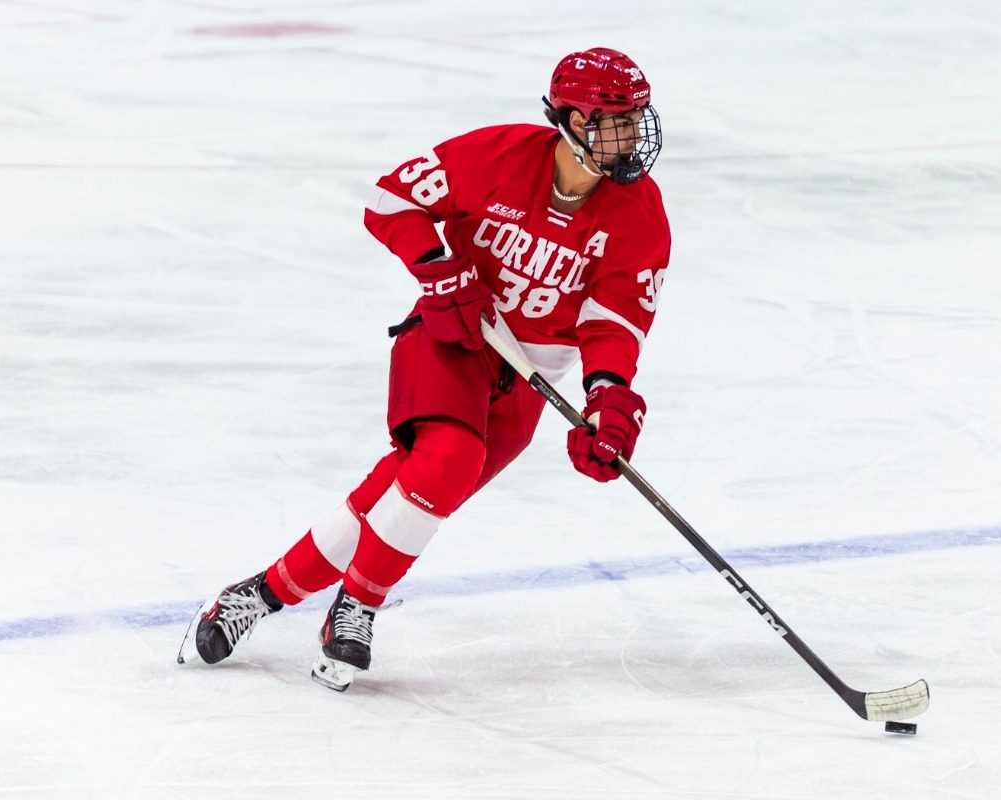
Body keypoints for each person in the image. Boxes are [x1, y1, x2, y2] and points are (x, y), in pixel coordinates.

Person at [177, 47, 671, 690]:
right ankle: (356, 610)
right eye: (618, 119)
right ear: (575, 123)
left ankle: (254, 597)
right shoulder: (495, 155)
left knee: (399, 498)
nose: (634, 134)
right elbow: (389, 202)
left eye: (637, 117)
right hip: (451, 341)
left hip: (528, 378)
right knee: (447, 462)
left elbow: (613, 322)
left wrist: (608, 398)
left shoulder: (638, 212)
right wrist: (438, 267)